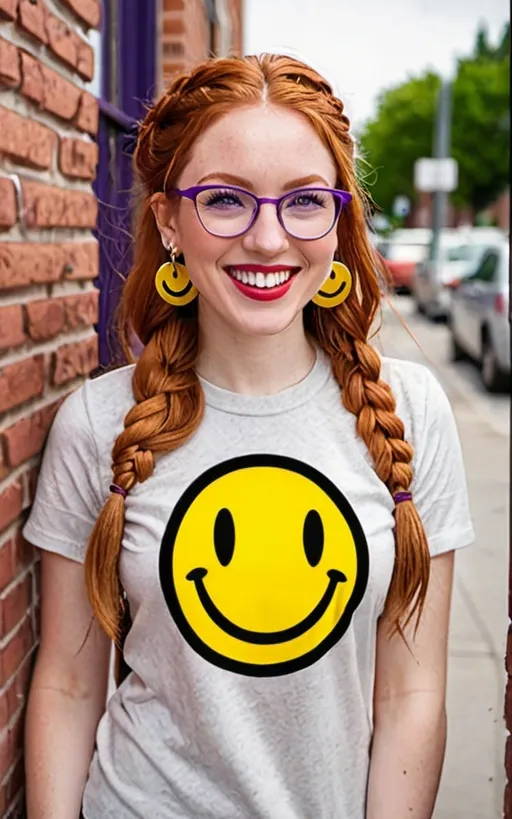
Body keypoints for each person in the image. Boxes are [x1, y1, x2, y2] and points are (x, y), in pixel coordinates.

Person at [23, 54, 474, 819]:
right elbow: (68, 687)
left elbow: (412, 693)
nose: (268, 240)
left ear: (337, 219)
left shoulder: (414, 412)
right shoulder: (98, 423)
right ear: (169, 220)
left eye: (304, 202)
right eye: (226, 200)